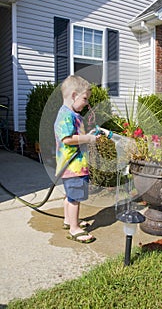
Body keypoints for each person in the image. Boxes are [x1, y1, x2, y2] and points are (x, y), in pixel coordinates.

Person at [54, 75, 109, 243]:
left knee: (70, 196)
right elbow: (67, 139)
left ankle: (68, 220)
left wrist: (87, 136)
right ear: (73, 95)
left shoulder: (72, 114)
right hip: (73, 167)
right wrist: (87, 139)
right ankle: (74, 229)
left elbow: (76, 136)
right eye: (84, 98)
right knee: (74, 198)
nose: (87, 103)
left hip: (74, 166)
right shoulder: (66, 115)